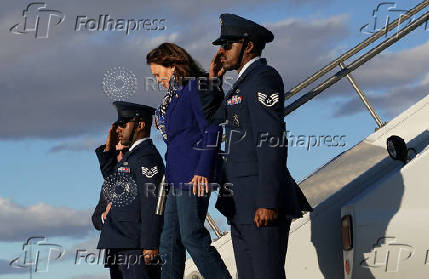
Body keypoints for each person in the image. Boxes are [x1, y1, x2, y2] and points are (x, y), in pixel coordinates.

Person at [209, 14, 313, 279]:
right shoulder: (241, 85)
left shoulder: (263, 79)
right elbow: (209, 118)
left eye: (228, 45)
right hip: (240, 203)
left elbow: (272, 141)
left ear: (249, 46)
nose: (222, 52)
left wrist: (267, 201)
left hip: (259, 202)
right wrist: (213, 83)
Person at [146, 43, 231, 279]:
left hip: (194, 174)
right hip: (175, 177)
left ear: (172, 66)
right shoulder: (173, 98)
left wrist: (203, 170)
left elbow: (212, 129)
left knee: (192, 237)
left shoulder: (194, 88)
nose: (156, 80)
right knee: (169, 243)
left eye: (157, 74)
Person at [94, 101, 165, 279]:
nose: (118, 129)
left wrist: (150, 244)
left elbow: (152, 203)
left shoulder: (146, 157)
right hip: (119, 244)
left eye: (123, 124)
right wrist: (108, 149)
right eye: (118, 125)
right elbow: (112, 180)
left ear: (140, 125)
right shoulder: (130, 158)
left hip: (136, 246)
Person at [92, 140, 129, 279]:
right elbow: (96, 219)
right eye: (117, 153)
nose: (120, 156)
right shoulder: (109, 183)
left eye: (124, 152)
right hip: (115, 254)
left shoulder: (140, 177)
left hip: (138, 250)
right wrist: (105, 216)